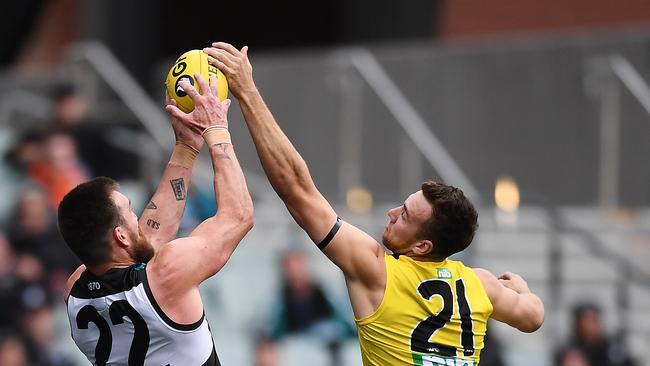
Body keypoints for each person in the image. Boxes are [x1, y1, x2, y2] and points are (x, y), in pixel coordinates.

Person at [204, 42, 545, 365]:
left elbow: (296, 189)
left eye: (405, 216)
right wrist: (523, 290)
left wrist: (246, 91)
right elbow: (533, 317)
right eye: (402, 205)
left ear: (423, 245)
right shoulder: (481, 284)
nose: (392, 213)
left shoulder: (376, 270)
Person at [60, 74, 253, 365]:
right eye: (130, 212)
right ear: (120, 236)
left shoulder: (74, 292)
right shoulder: (166, 276)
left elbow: (147, 240)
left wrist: (186, 147)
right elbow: (238, 216)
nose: (139, 218)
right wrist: (217, 130)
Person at [555, 302, 636, 366]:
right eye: (586, 320)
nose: (590, 326)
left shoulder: (612, 348)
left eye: (593, 320)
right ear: (577, 324)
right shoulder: (569, 352)